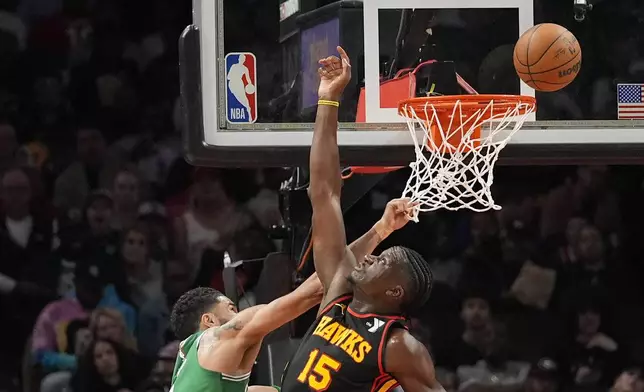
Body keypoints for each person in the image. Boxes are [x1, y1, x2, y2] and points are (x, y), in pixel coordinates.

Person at [280, 46, 442, 392]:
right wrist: (328, 99)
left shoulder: (398, 346)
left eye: (382, 261)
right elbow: (324, 193)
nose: (370, 255)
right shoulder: (339, 294)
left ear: (394, 291)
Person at [168, 274, 323, 392]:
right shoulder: (213, 340)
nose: (240, 314)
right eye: (231, 309)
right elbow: (311, 293)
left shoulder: (190, 375)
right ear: (209, 321)